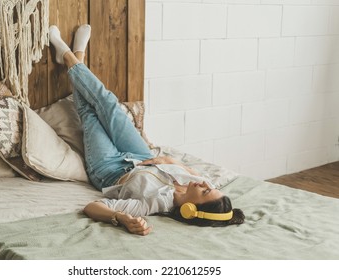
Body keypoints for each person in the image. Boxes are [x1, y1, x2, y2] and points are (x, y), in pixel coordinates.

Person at [48, 24, 245, 236]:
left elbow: (92, 206)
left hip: (110, 171)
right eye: (209, 186)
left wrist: (120, 218)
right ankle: (73, 57)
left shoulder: (154, 205)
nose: (205, 183)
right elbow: (194, 172)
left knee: (89, 115)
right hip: (143, 155)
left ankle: (72, 56)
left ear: (190, 210)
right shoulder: (198, 184)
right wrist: (172, 161)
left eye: (205, 190)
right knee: (110, 105)